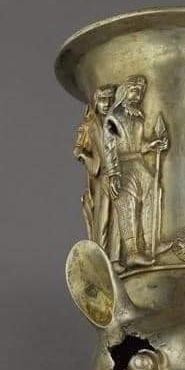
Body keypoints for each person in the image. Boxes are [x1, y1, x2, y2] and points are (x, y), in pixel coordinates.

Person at [102, 75, 171, 269]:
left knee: (154, 191)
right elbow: (109, 147)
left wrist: (151, 145)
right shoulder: (113, 117)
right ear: (124, 91)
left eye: (141, 92)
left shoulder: (137, 116)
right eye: (134, 90)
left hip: (139, 162)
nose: (138, 95)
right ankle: (132, 252)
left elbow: (136, 144)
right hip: (124, 165)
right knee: (128, 204)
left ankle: (151, 242)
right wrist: (114, 173)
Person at [73, 85, 121, 266]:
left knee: (118, 217)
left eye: (109, 100)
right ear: (95, 102)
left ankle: (115, 259)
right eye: (102, 100)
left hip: (118, 174)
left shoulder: (115, 123)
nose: (106, 104)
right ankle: (102, 258)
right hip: (102, 175)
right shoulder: (90, 125)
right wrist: (86, 157)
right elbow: (78, 148)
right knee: (103, 217)